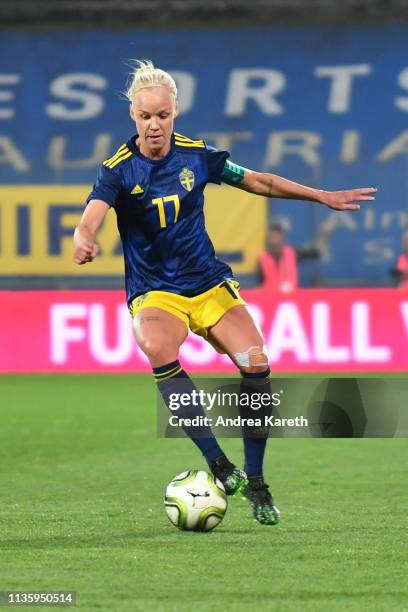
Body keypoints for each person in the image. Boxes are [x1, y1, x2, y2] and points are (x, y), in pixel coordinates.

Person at [73, 60, 377, 526]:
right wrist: (83, 237)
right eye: (144, 117)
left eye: (162, 115)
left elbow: (258, 180)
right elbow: (92, 213)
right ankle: (218, 462)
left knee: (257, 366)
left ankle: (256, 483)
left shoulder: (199, 156)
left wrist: (321, 196)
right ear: (133, 116)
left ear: (175, 111)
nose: (154, 125)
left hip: (209, 285)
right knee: (156, 345)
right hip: (156, 293)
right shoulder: (117, 170)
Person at [258, 222, 332, 291]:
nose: (273, 241)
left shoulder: (292, 253)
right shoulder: (263, 259)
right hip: (270, 300)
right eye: (271, 238)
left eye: (276, 237)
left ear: (282, 238)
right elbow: (259, 284)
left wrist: (326, 233)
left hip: (291, 299)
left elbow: (317, 250)